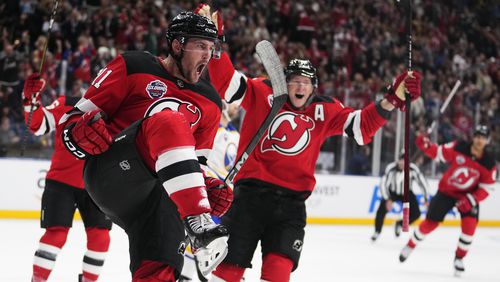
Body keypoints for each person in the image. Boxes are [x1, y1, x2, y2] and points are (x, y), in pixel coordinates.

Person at [195, 5, 422, 281]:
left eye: (305, 82)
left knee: (277, 274)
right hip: (249, 200)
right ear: (284, 82)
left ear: (314, 87)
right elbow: (226, 82)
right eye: (293, 81)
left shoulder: (325, 110)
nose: (299, 87)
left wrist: (393, 98)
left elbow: (362, 128)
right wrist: (212, 42)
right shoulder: (262, 91)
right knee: (226, 274)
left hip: (290, 207)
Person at [57, 12, 233, 281]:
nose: (207, 55)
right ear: (177, 45)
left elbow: (195, 164)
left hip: (159, 198)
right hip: (113, 174)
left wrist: (208, 188)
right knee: (170, 122)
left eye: (211, 48)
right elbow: (72, 118)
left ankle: (196, 217)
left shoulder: (210, 101)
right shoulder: (134, 65)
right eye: (200, 46)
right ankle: (198, 220)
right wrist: (79, 131)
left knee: (158, 271)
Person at [22, 76, 112, 282]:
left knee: (100, 238)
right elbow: (37, 125)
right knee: (56, 235)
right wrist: (30, 100)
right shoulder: (66, 104)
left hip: (95, 185)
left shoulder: (114, 111)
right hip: (61, 183)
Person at [399, 125, 497, 275]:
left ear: (487, 141)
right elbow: (439, 153)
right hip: (447, 192)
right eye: (477, 136)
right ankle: (411, 244)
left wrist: (471, 199)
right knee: (429, 224)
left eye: (483, 138)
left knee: (469, 228)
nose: (479, 140)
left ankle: (459, 258)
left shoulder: (489, 163)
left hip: (468, 196)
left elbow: (487, 188)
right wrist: (425, 145)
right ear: (473, 137)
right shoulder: (459, 147)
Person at [180, 100, 240, 282]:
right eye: (234, 104)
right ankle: (185, 274)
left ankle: (191, 273)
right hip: (208, 197)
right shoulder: (208, 132)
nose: (237, 108)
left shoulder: (234, 134)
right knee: (201, 240)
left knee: (210, 245)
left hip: (224, 201)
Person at [371, 151, 429, 242]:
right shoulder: (391, 168)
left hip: (407, 193)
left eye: (405, 161)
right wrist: (388, 199)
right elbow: (383, 183)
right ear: (397, 161)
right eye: (401, 160)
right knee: (381, 211)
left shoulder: (413, 169)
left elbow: (423, 183)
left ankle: (399, 224)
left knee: (416, 213)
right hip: (392, 192)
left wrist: (426, 198)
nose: (402, 163)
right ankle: (377, 231)